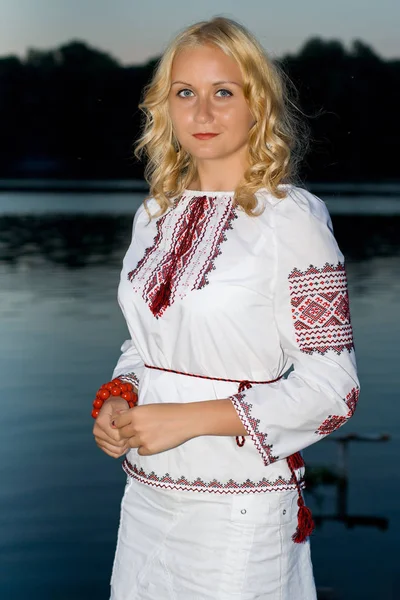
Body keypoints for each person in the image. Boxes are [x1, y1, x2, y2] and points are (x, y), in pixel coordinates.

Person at [92, 16, 359, 600]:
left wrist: (188, 419)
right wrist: (121, 396)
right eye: (185, 93)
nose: (203, 113)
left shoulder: (293, 221)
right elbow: (149, 344)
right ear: (165, 107)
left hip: (238, 508)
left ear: (257, 104)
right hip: (146, 497)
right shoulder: (154, 217)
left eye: (224, 93)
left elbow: (334, 391)